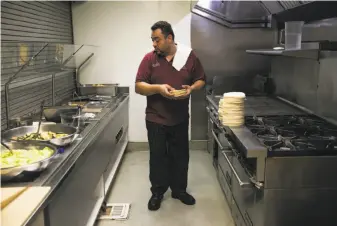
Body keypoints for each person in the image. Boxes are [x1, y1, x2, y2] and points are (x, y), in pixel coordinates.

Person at [135, 21, 206, 211]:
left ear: (169, 38)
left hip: (180, 118)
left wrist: (191, 88)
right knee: (158, 157)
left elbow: (201, 79)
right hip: (156, 118)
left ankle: (179, 190)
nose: (154, 44)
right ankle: (157, 192)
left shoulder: (188, 57)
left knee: (180, 156)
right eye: (152, 40)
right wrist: (158, 88)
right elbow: (138, 86)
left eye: (157, 39)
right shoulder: (150, 59)